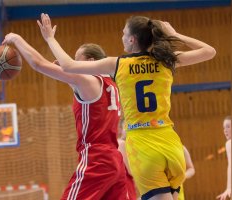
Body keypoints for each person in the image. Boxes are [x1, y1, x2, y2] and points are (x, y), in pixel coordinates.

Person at [38, 13, 216, 200]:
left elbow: (67, 66)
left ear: (132, 39)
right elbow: (209, 51)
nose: (121, 37)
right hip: (171, 142)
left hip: (143, 144)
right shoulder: (166, 60)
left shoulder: (118, 64)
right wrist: (176, 34)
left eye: (123, 34)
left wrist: (50, 38)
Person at [2, 34, 129, 199]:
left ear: (90, 62)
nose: (72, 64)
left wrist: (17, 39)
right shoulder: (111, 85)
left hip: (96, 159)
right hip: (115, 160)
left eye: (77, 59)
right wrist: (64, 74)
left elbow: (38, 63)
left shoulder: (87, 82)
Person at [118, 119, 138, 200]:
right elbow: (130, 171)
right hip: (125, 183)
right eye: (126, 127)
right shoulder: (121, 143)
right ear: (120, 129)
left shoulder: (129, 144)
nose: (129, 129)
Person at [217, 116, 231, 200]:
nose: (225, 130)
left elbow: (231, 166)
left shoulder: (230, 143)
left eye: (228, 126)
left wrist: (229, 187)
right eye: (224, 127)